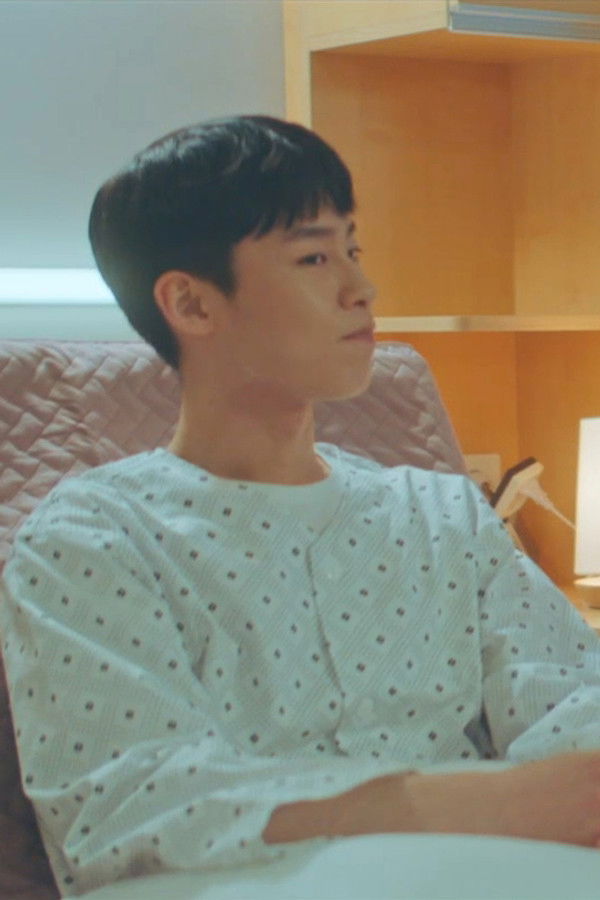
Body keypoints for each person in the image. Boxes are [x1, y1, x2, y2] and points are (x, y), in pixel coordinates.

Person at [2, 115, 600, 897]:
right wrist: (472, 804)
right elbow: (129, 805)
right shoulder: (92, 539)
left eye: (355, 250)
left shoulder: (443, 515)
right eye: (315, 257)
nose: (362, 289)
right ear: (191, 303)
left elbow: (573, 704)